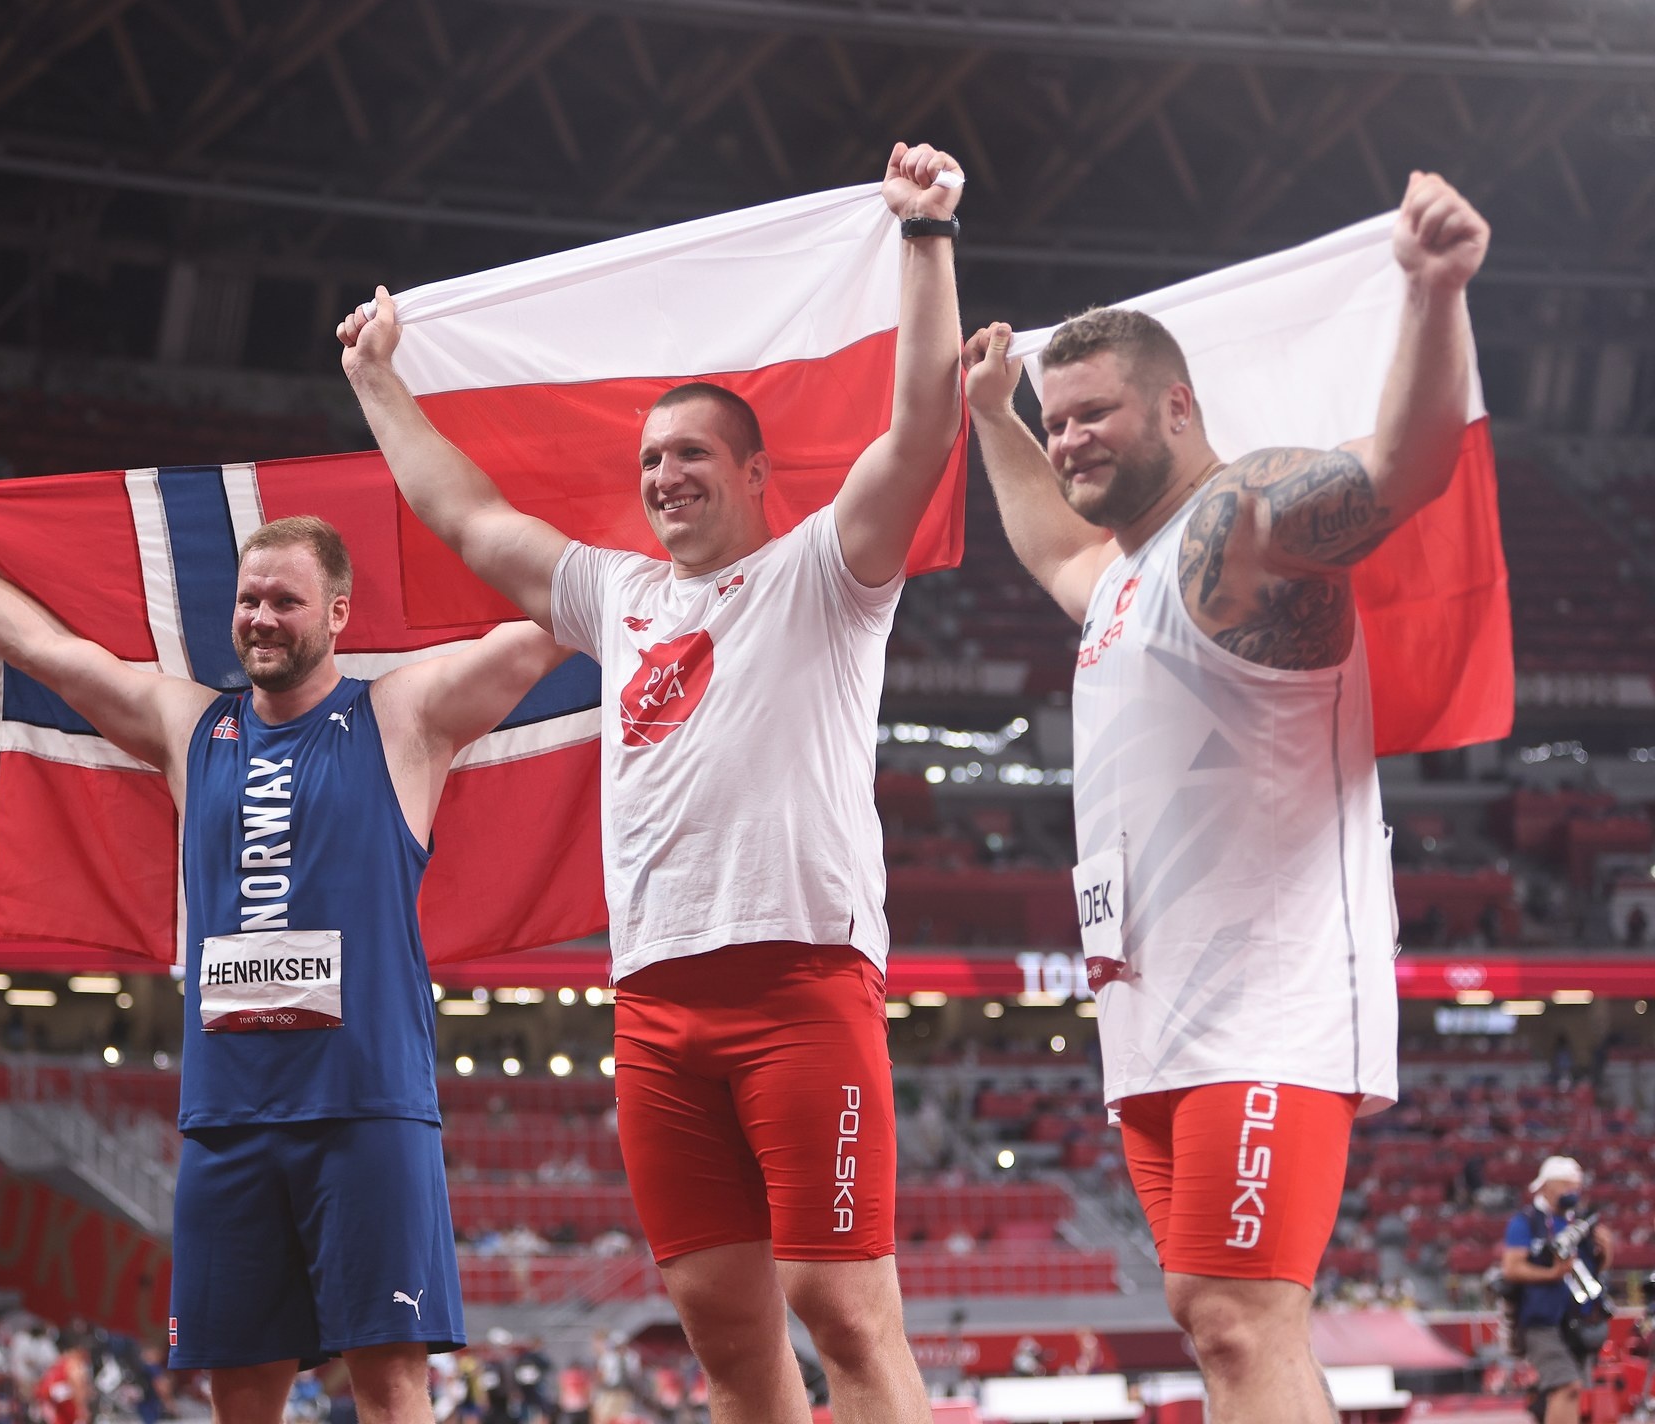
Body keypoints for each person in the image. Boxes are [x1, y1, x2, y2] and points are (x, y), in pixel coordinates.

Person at [336, 141, 964, 1424]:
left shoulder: (824, 575)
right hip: (655, 1007)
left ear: (753, 473)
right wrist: (377, 384)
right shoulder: (618, 594)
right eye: (650, 463)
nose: (664, 476)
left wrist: (923, 239)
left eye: (691, 455)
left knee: (845, 1312)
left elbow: (921, 429)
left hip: (801, 980)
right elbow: (467, 520)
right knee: (726, 1340)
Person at [961, 171, 1489, 1424]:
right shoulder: (1129, 575)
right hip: (1154, 1008)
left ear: (1179, 405)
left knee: (1241, 1322)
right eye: (1060, 418)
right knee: (1224, 1322)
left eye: (1093, 414)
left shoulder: (1236, 527)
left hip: (1267, 998)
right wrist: (996, 416)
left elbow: (1402, 469)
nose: (1072, 438)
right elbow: (1048, 542)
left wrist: (1433, 294)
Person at [0, 473, 573, 1424]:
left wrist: (637, 531)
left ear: (337, 611)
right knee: (241, 1391)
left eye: (285, 600)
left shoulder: (402, 716)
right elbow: (39, 647)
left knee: (389, 1383)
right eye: (250, 599)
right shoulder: (190, 725)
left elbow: (550, 623)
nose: (261, 617)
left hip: (366, 1108)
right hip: (229, 1119)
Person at [1502, 1156, 1614, 1424]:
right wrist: (1551, 1273)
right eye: (1565, 1186)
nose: (1571, 1192)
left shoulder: (1581, 1222)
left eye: (1575, 1186)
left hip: (1578, 1319)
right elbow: (1512, 1267)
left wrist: (1606, 1249)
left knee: (1572, 1391)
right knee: (1566, 1385)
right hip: (1542, 1318)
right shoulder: (1526, 1222)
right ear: (1546, 1187)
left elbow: (1596, 1268)